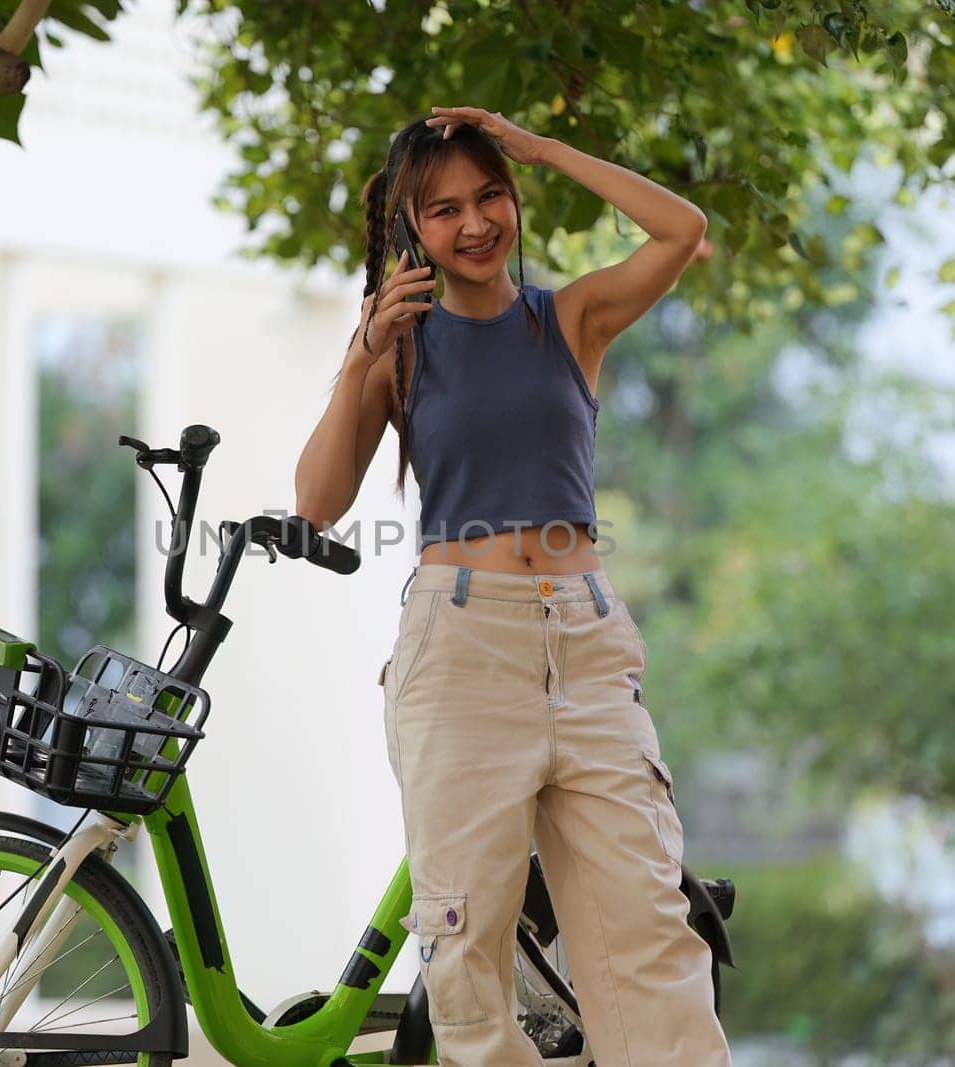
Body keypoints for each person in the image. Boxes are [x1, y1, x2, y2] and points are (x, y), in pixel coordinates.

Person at [293, 104, 730, 1066]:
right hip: (461, 651)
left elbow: (683, 230)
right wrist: (362, 350)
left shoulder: (569, 318)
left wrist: (543, 147)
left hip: (586, 643)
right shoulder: (398, 348)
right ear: (413, 230)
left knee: (650, 925)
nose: (476, 223)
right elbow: (319, 499)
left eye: (491, 194)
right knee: (468, 945)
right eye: (444, 210)